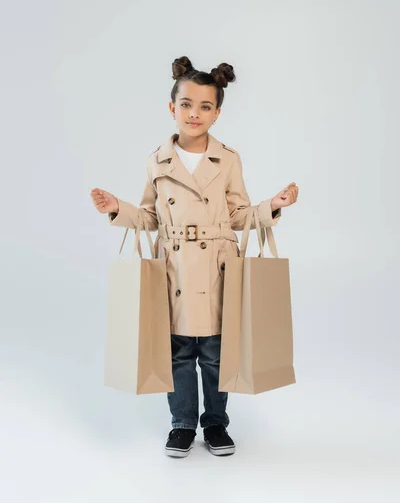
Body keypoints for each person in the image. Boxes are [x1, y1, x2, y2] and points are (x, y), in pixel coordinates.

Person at [91, 55, 299, 458]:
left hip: (218, 268)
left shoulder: (228, 160)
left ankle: (216, 424)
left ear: (217, 113)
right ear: (172, 108)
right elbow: (150, 217)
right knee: (180, 353)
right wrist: (117, 207)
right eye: (186, 104)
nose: (194, 113)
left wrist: (273, 203)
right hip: (175, 269)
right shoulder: (157, 161)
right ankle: (183, 423)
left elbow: (239, 215)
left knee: (218, 353)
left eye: (205, 106)